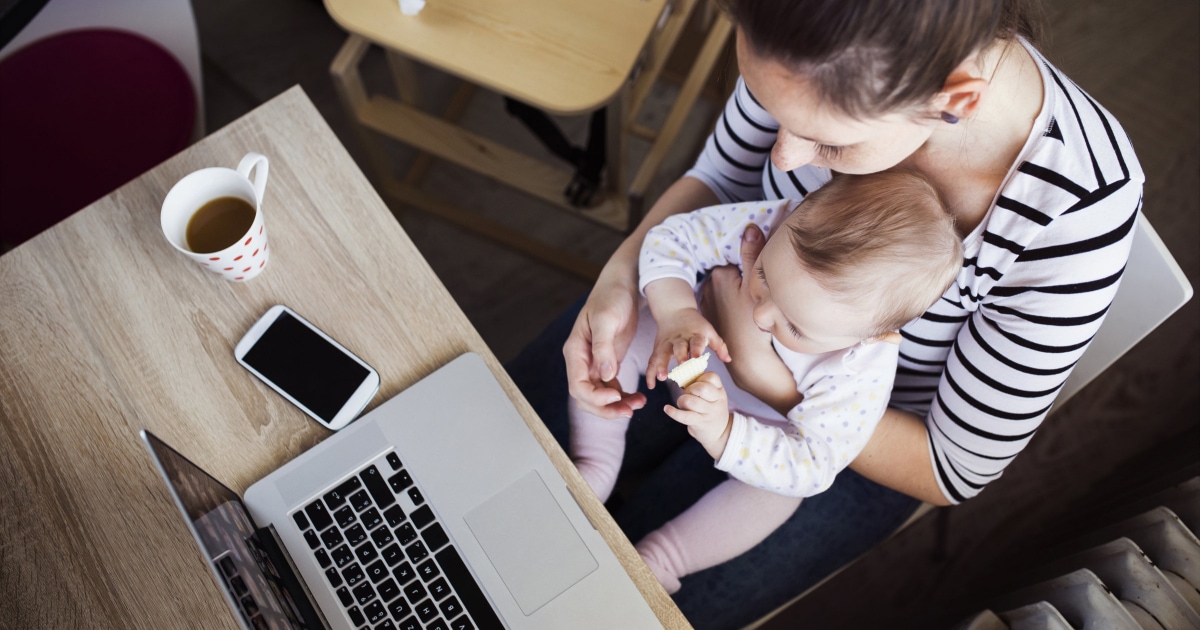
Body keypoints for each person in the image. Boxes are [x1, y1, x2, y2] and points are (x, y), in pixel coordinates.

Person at [505, 0, 1142, 626]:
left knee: (617, 603)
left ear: (955, 98)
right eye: (773, 109)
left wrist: (769, 381)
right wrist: (620, 276)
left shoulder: (1079, 207)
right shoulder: (807, 29)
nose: (781, 158)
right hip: (708, 299)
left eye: (828, 143)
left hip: (852, 437)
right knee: (504, 465)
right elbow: (723, 181)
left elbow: (954, 466)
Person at [570, 171, 962, 593]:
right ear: (798, 211)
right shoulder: (777, 221)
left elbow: (814, 462)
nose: (759, 316)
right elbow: (672, 238)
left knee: (779, 494)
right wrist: (676, 312)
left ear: (872, 336)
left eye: (793, 327)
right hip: (687, 345)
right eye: (764, 278)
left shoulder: (863, 367)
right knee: (618, 340)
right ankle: (595, 462)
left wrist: (725, 433)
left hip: (762, 425)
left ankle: (664, 558)